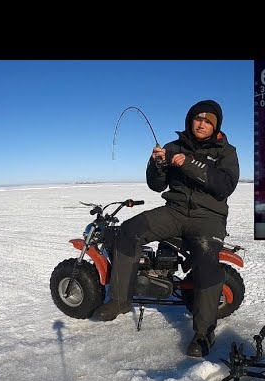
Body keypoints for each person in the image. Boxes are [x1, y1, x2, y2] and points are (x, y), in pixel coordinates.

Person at [95, 99, 240, 357]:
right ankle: (118, 300)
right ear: (190, 120)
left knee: (207, 260)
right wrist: (157, 164)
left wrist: (188, 163)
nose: (202, 124)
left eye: (208, 121)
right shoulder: (173, 147)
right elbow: (157, 185)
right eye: (198, 119)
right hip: (173, 212)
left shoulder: (225, 152)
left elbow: (224, 185)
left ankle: (204, 332)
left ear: (215, 126)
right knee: (128, 231)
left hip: (208, 218)